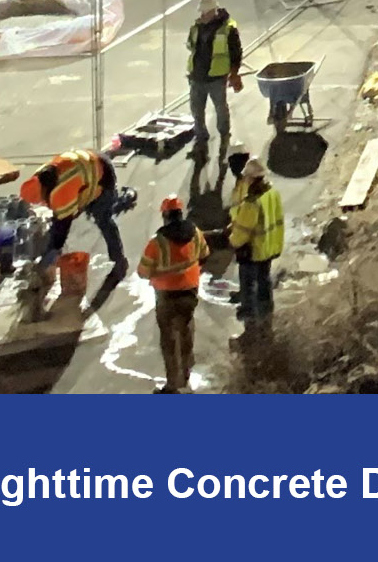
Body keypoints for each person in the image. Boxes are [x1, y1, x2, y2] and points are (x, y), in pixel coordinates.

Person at [20, 140, 129, 304]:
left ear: (42, 191)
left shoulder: (61, 190)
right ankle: (113, 201)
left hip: (102, 174)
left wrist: (50, 255)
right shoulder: (41, 175)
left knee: (103, 219)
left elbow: (62, 229)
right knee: (80, 211)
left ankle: (119, 260)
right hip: (88, 164)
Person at [139, 195, 208, 392]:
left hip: (166, 297)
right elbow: (204, 255)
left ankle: (172, 385)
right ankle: (185, 376)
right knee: (186, 331)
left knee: (169, 340)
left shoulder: (157, 243)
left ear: (165, 216)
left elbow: (143, 272)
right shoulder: (196, 233)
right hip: (190, 292)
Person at [223, 150, 285, 324]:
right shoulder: (272, 193)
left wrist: (232, 240)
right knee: (264, 279)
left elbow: (244, 231)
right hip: (270, 245)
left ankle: (248, 311)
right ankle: (266, 308)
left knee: (248, 280)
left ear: (251, 178)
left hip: (254, 249)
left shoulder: (252, 202)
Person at [186, 0, 246, 157]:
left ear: (213, 11)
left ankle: (224, 134)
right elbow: (191, 47)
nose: (202, 15)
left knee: (220, 108)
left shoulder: (227, 29)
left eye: (204, 12)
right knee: (196, 109)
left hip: (216, 78)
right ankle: (201, 137)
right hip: (197, 77)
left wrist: (234, 74)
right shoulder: (196, 27)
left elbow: (236, 53)